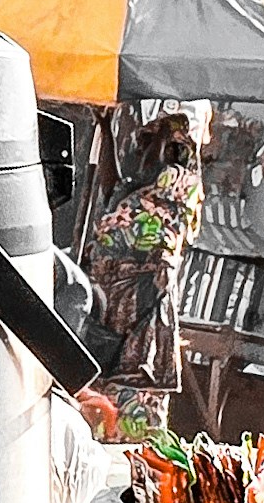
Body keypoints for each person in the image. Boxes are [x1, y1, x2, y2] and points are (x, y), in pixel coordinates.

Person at [82, 108, 203, 440]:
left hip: (144, 310)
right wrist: (105, 128)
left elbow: (152, 170)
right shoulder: (134, 194)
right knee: (101, 396)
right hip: (111, 306)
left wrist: (162, 135)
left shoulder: (180, 188)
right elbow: (110, 186)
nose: (139, 154)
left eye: (147, 146)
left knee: (137, 409)